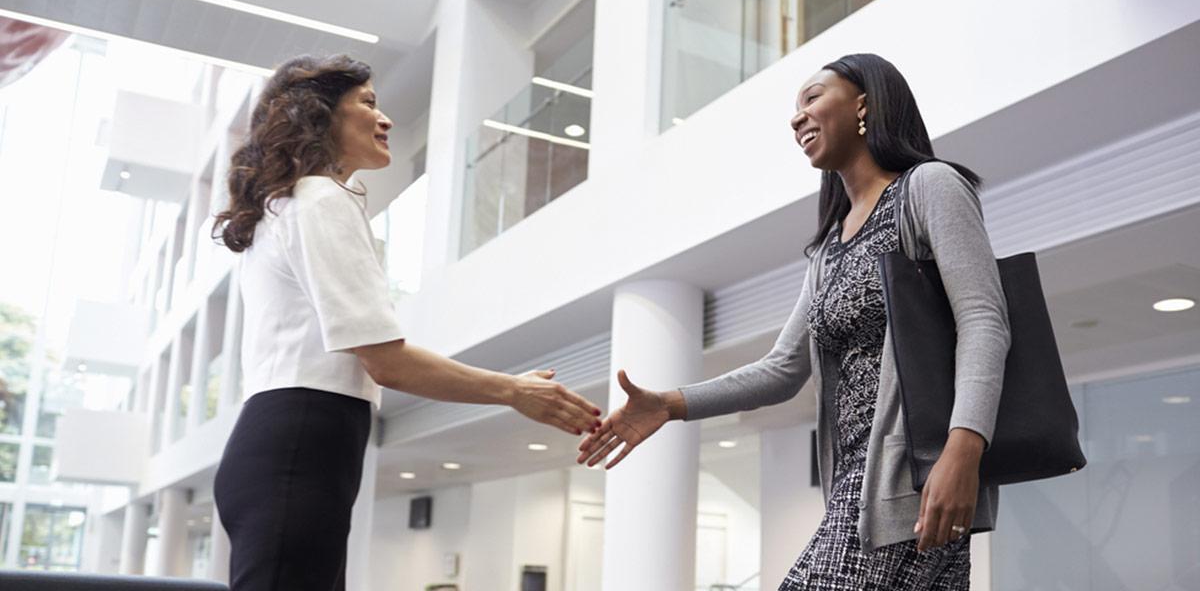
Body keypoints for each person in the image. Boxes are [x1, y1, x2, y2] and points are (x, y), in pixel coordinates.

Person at [577, 53, 1010, 589]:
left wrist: (964, 450)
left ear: (864, 103)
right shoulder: (828, 249)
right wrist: (669, 405)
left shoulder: (928, 188)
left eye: (812, 98)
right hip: (857, 482)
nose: (796, 118)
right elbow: (782, 369)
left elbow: (984, 319)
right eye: (794, 108)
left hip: (917, 477)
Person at [211, 54, 601, 591]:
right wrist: (514, 390)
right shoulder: (320, 199)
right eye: (368, 103)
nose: (385, 118)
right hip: (302, 440)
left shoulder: (289, 205)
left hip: (290, 440)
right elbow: (385, 360)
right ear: (318, 117)